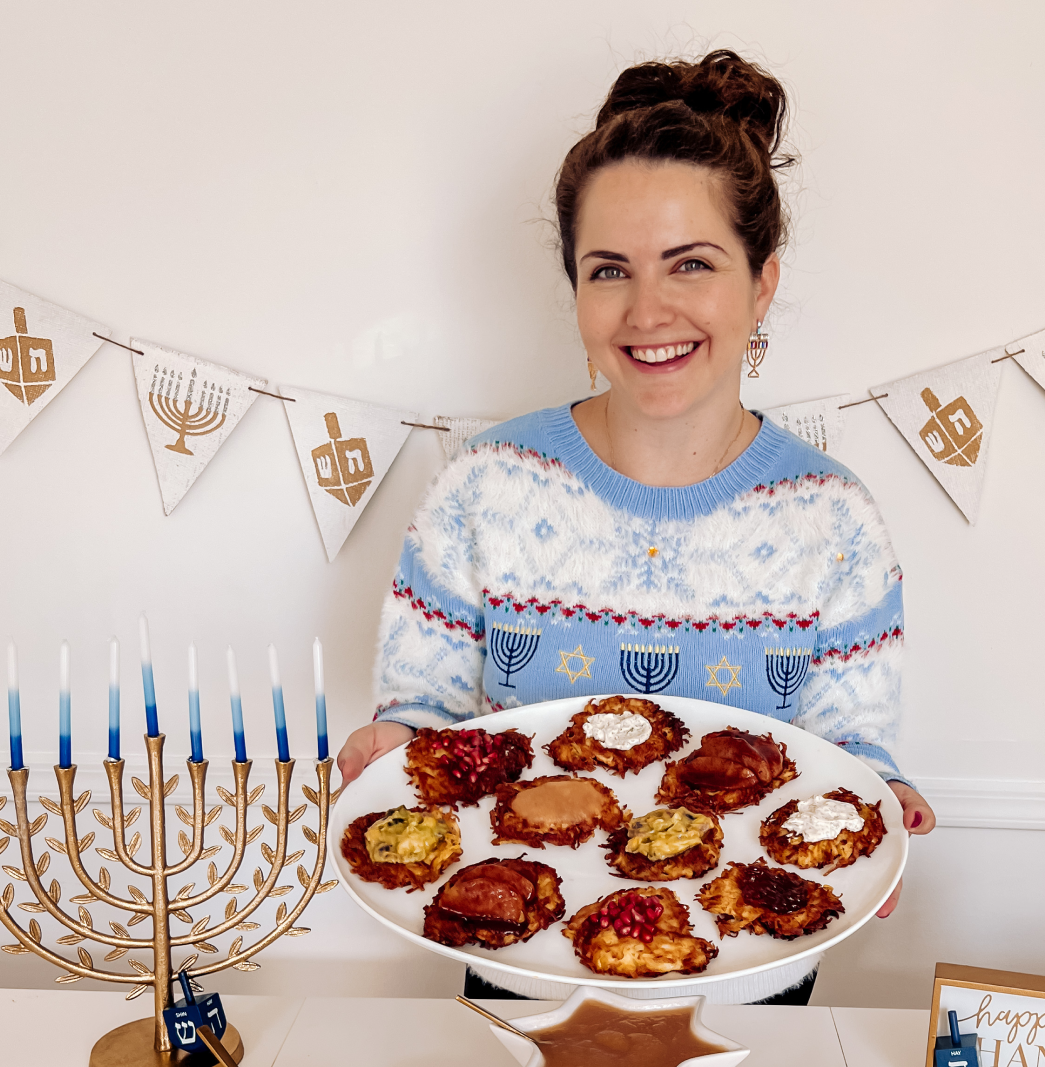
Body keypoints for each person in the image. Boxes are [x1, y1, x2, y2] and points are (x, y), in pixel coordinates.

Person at [337, 49, 935, 1005]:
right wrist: (394, 741)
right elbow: (427, 722)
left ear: (762, 283)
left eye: (691, 264)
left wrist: (883, 803)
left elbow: (848, 755)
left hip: (753, 985)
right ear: (574, 289)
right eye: (608, 269)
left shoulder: (836, 518)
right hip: (516, 968)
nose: (647, 309)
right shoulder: (484, 486)